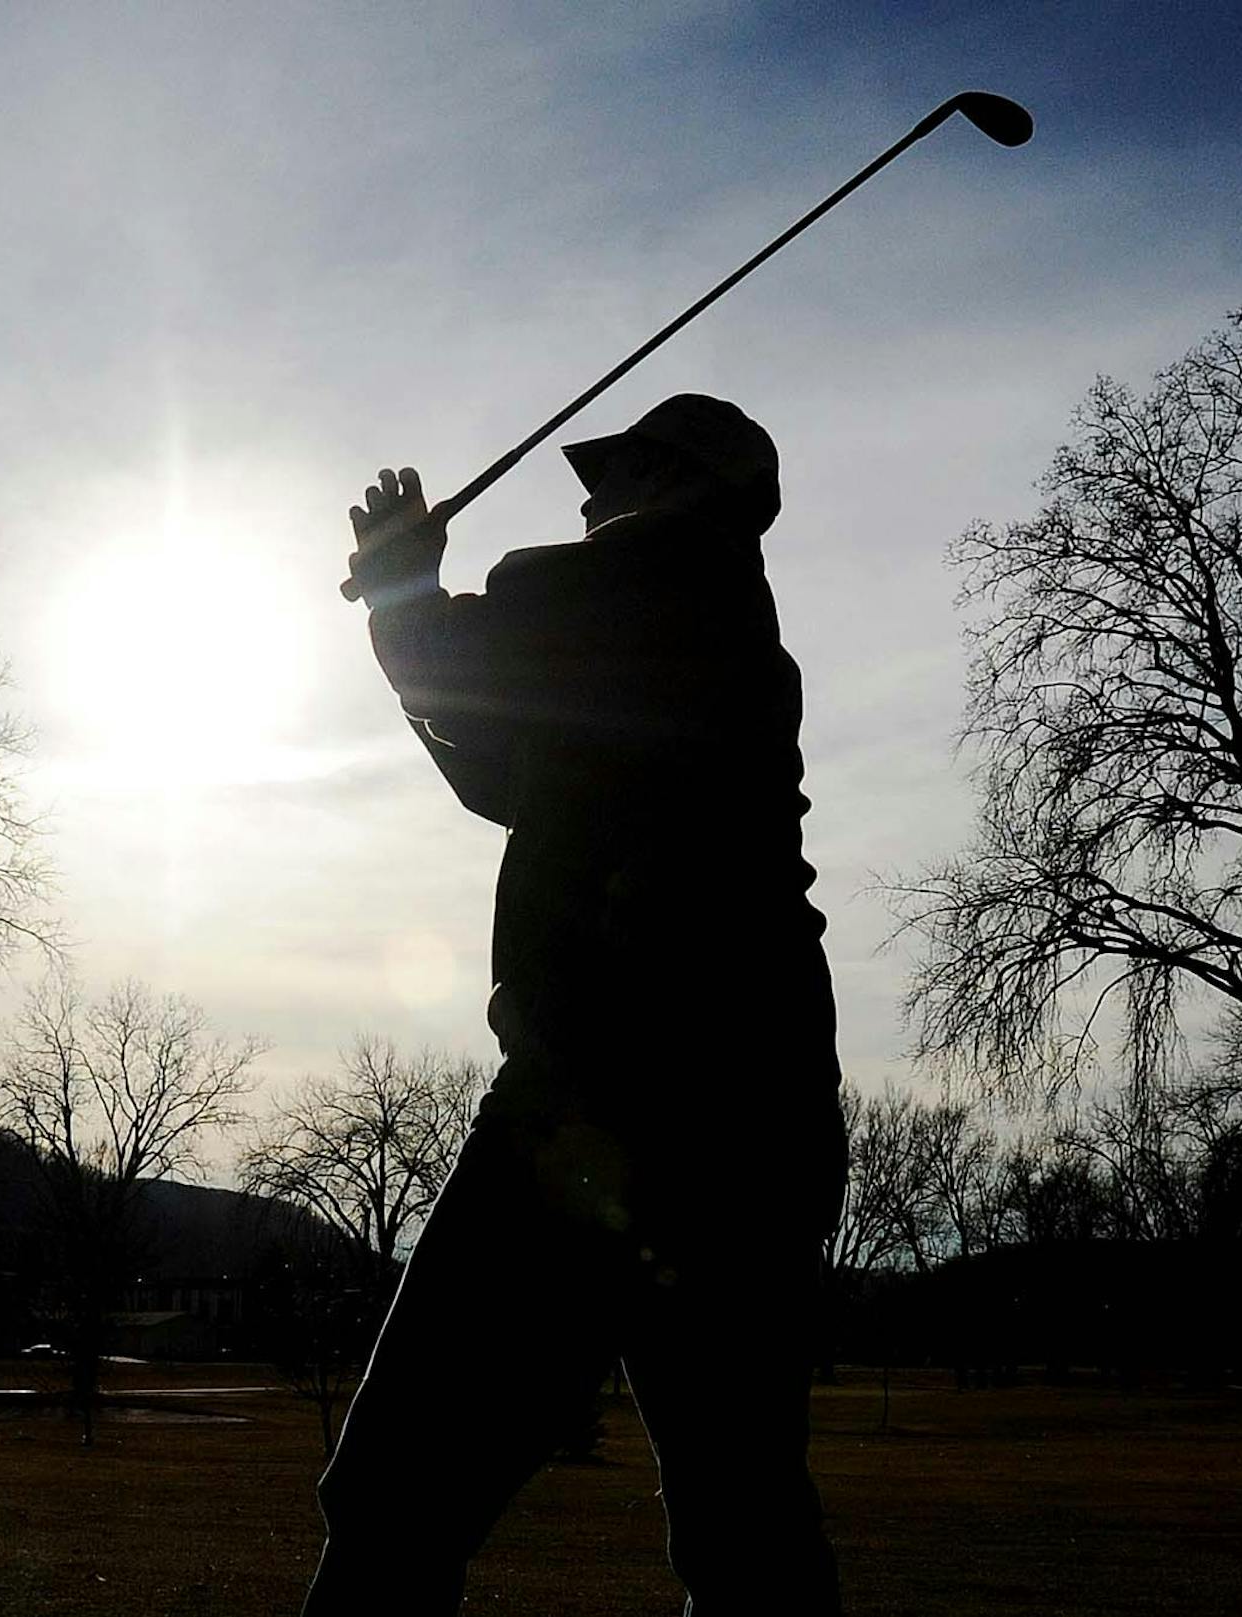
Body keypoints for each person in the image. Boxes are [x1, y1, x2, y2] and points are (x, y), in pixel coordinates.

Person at [308, 394, 846, 1615]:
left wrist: (405, 594)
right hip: (762, 1110)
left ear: (699, 490)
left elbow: (471, 667)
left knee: (397, 1498)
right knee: (746, 1518)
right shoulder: (721, 636)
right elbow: (503, 773)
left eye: (626, 469)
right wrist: (410, 617)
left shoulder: (649, 576)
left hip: (612, 1096)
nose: (595, 494)